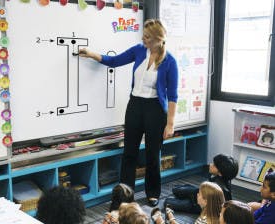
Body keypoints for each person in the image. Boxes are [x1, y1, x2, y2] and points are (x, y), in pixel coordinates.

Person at [79, 18, 178, 207]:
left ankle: (153, 192)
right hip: (135, 106)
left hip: (156, 110)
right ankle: (126, 194)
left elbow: (173, 95)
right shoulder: (139, 50)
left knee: (152, 155)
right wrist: (92, 54)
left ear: (159, 39)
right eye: (144, 36)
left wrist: (170, 123)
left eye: (148, 37)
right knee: (129, 153)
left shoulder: (170, 62)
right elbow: (115, 61)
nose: (144, 39)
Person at [165, 154, 238, 213]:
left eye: (214, 165)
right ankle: (187, 194)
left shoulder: (218, 188)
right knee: (176, 190)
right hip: (199, 194)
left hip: (199, 205)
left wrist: (193, 200)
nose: (210, 164)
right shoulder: (222, 178)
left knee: (167, 202)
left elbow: (205, 205)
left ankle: (187, 197)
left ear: (220, 173)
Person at [152, 181, 225, 224]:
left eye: (199, 194)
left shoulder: (205, 221)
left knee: (161, 215)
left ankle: (163, 221)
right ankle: (171, 220)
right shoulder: (215, 216)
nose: (197, 194)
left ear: (206, 201)